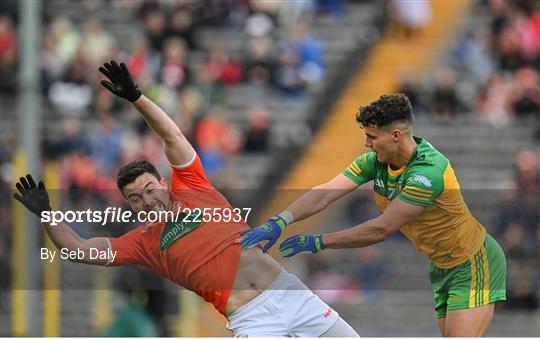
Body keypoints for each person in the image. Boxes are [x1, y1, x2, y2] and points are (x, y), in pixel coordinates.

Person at [12, 60, 359, 337]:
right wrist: (47, 214)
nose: (146, 200)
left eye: (149, 190)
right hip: (252, 321)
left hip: (290, 293)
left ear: (163, 183)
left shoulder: (192, 184)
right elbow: (77, 250)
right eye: (135, 198)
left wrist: (137, 98)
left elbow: (172, 134)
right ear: (130, 205)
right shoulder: (140, 243)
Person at [241, 93, 507, 337]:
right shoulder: (375, 163)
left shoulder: (428, 172)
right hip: (441, 265)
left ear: (396, 135)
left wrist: (318, 241)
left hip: (472, 261)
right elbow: (326, 192)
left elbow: (383, 228)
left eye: (372, 137)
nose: (367, 144)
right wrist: (281, 219)